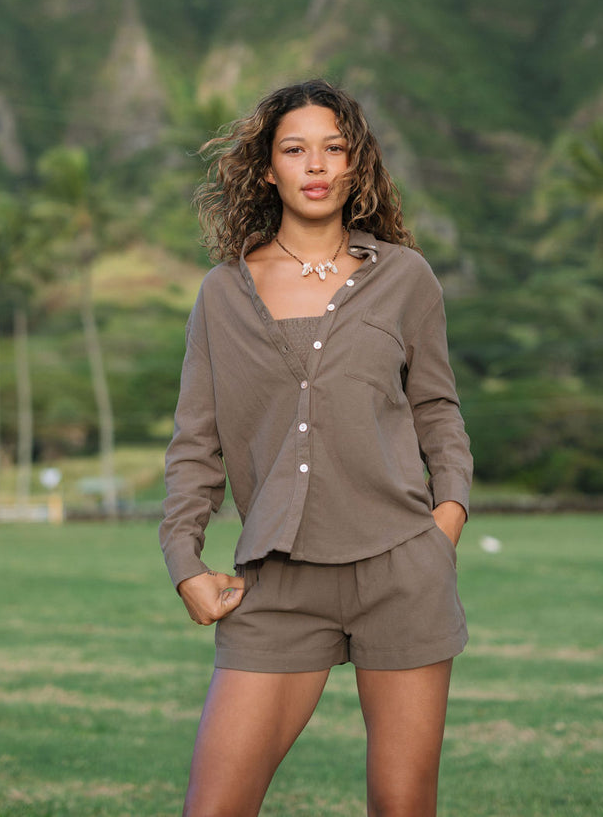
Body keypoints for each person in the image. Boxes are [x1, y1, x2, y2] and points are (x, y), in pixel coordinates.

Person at [160, 79, 473, 817]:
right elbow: (194, 443)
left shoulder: (405, 278)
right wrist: (184, 562)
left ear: (356, 165)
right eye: (295, 149)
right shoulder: (222, 296)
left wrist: (449, 515)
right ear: (268, 168)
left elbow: (439, 411)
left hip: (401, 569)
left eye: (335, 148)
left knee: (401, 806)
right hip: (277, 582)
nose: (317, 164)